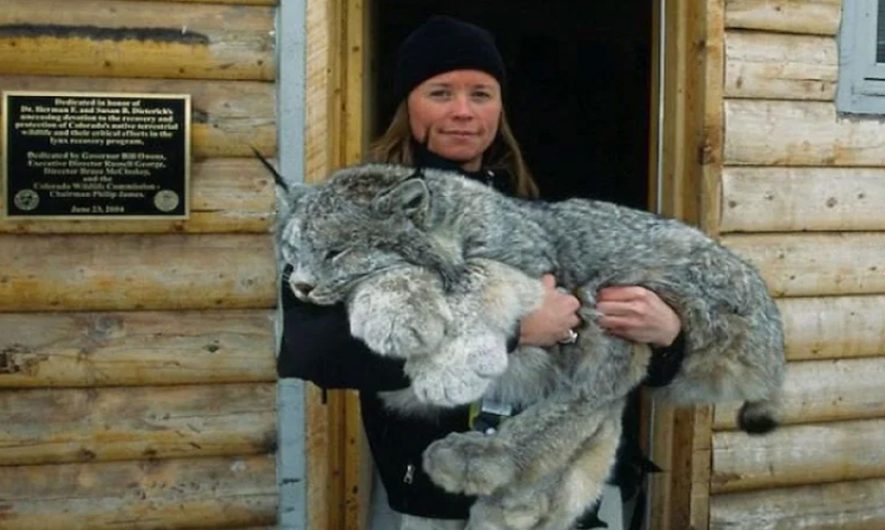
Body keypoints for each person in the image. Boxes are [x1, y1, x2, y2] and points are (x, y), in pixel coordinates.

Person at [277, 15, 684, 530]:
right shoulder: (352, 215)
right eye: (441, 92)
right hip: (444, 496)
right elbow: (316, 349)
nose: (464, 112)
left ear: (500, 107)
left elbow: (614, 346)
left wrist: (668, 337)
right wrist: (512, 333)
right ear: (408, 105)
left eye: (482, 93)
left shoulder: (538, 207)